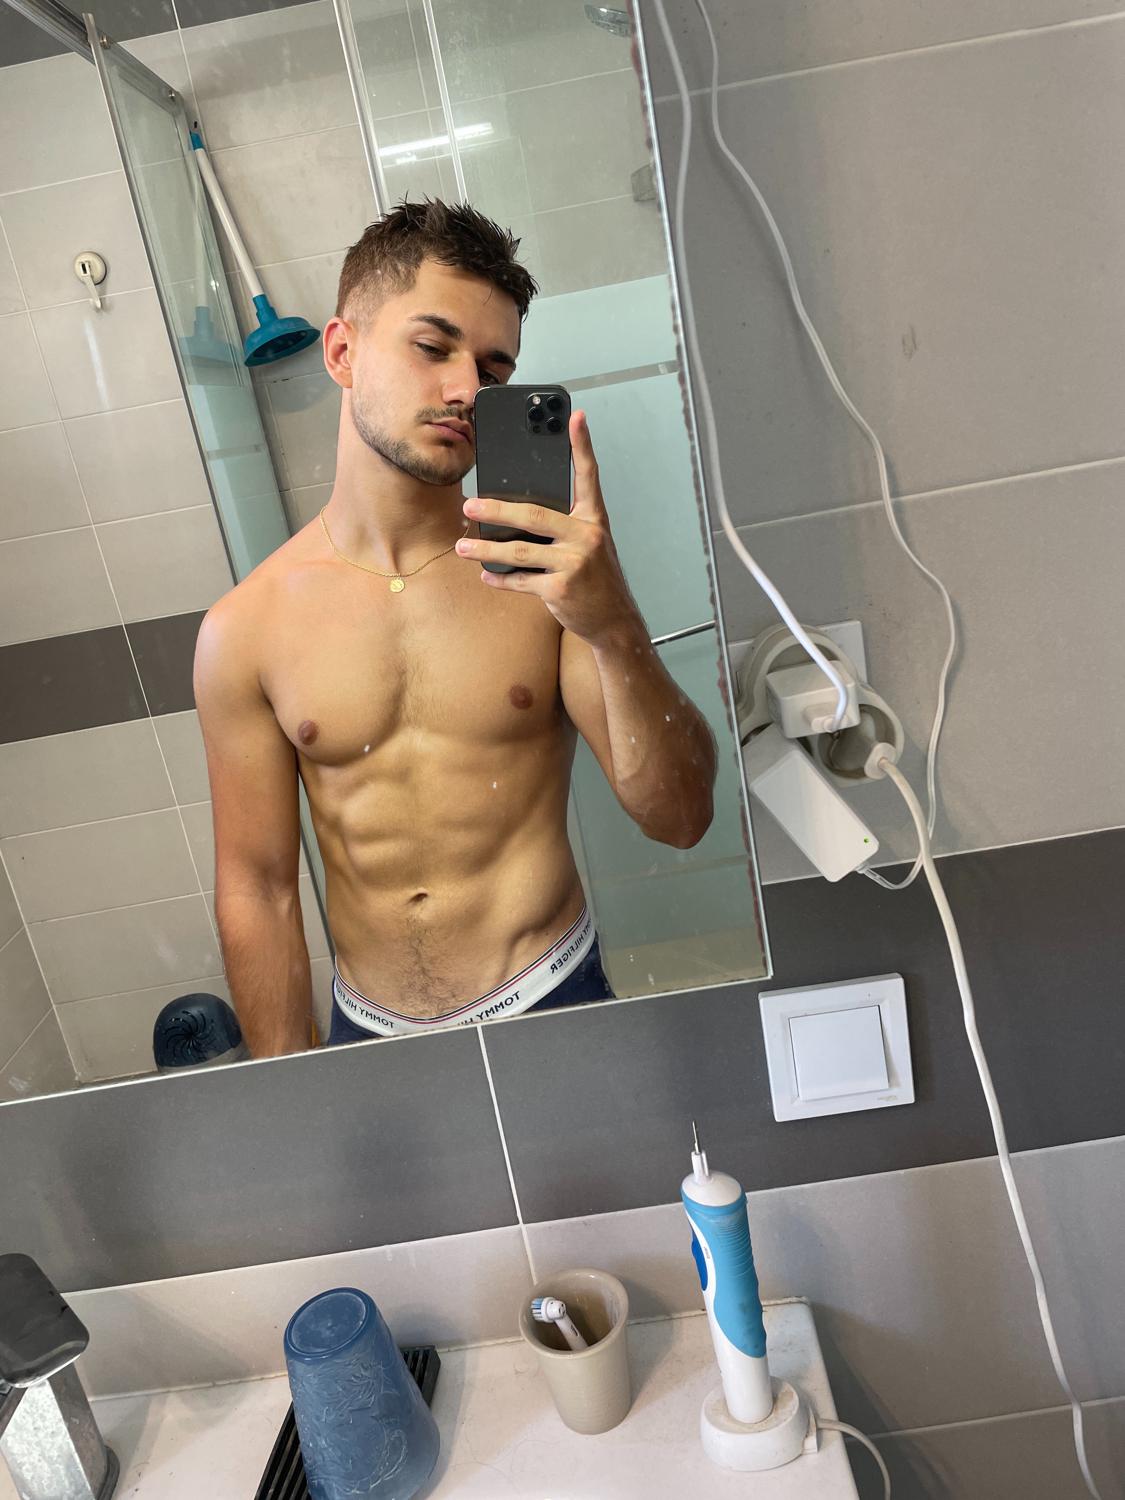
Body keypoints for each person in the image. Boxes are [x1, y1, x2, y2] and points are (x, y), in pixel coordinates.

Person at [194, 199, 717, 1057]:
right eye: (433, 347)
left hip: (549, 995)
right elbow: (257, 888)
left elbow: (680, 818)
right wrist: (292, 1091)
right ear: (342, 352)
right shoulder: (245, 628)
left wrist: (613, 622)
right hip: (369, 1033)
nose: (467, 390)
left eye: (492, 366)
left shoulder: (545, 582)